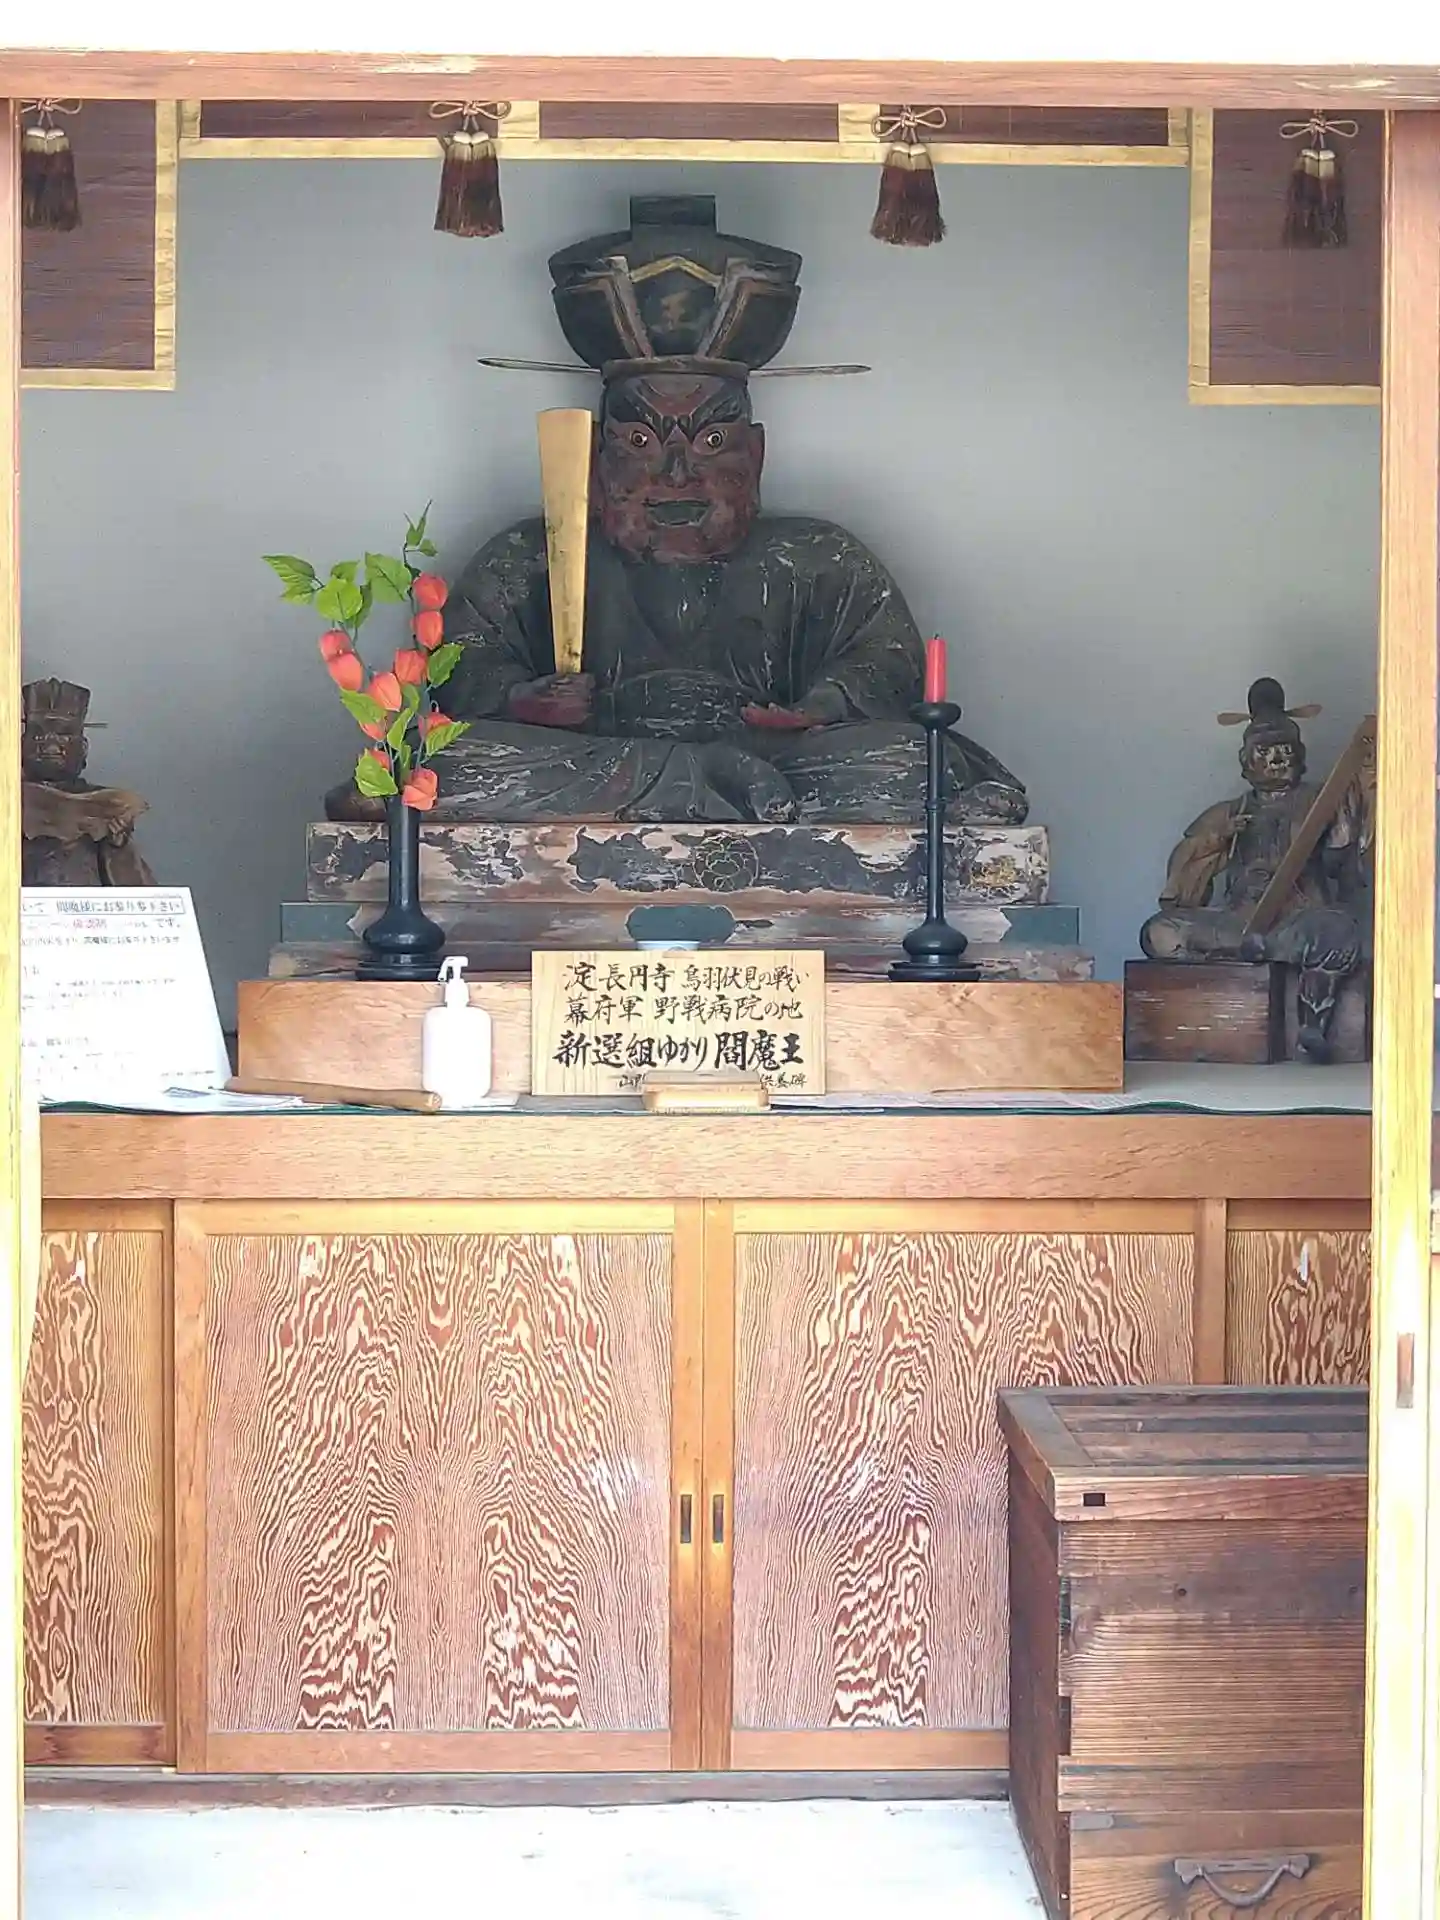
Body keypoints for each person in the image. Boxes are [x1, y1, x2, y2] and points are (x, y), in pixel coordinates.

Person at [326, 196, 1026, 827]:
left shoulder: (818, 556)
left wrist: (824, 706)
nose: (676, 474)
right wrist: (520, 700)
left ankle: (710, 779)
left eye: (712, 442)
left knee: (918, 761)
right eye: (639, 442)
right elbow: (462, 667)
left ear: (756, 455)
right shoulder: (532, 554)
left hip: (771, 759)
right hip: (603, 760)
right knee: (444, 761)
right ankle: (705, 783)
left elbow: (887, 661)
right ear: (596, 460)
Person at [1140, 677, 1367, 1060]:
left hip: (1296, 922)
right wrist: (1219, 838)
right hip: (1239, 922)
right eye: (1264, 751)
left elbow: (1338, 867)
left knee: (1339, 931)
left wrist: (1343, 826)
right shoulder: (1230, 812)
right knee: (1158, 932)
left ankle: (1311, 1026)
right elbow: (1186, 873)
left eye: (1285, 750)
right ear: (1246, 762)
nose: (1277, 759)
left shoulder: (1321, 801)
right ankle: (1221, 987)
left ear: (1300, 755)